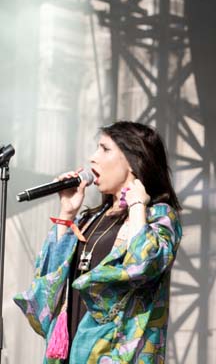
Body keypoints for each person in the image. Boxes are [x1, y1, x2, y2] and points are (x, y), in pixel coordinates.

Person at [14, 121, 183, 363]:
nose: (93, 158)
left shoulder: (159, 215)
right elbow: (48, 282)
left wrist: (137, 205)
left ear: (133, 160)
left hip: (117, 353)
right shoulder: (90, 219)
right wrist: (67, 214)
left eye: (104, 149)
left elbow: (144, 264)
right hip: (72, 351)